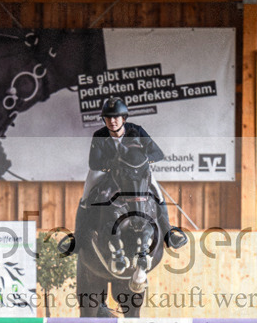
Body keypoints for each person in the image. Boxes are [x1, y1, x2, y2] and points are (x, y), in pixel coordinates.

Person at [75, 97, 187, 249]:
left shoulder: (137, 130)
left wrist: (140, 162)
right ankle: (78, 238)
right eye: (108, 117)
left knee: (158, 194)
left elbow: (158, 154)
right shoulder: (99, 135)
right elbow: (94, 163)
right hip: (106, 171)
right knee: (85, 197)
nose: (112, 121)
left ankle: (168, 233)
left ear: (124, 118)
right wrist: (115, 164)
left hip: (136, 171)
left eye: (116, 117)